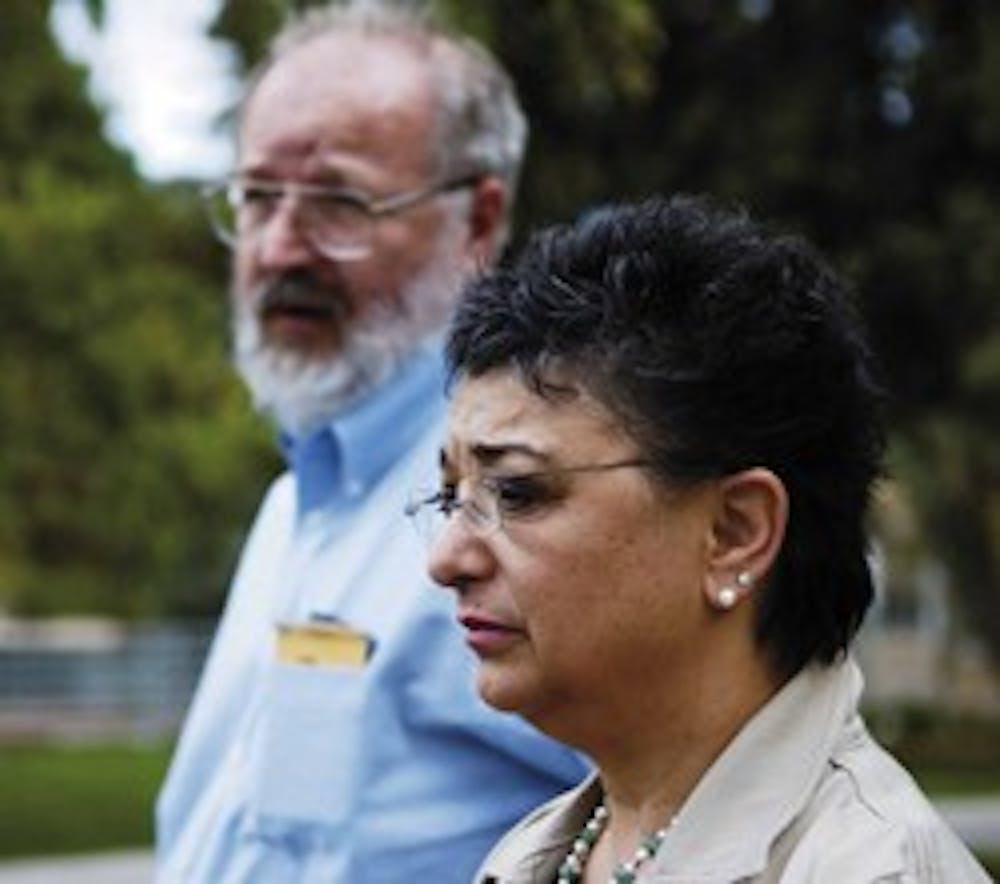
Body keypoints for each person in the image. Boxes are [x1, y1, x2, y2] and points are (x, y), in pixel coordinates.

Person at [416, 194, 991, 882]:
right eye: (450, 497)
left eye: (517, 492)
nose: (446, 559)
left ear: (735, 532)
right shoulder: (537, 855)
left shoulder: (866, 869)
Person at [154, 3, 589, 882]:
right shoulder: (297, 501)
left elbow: (686, 826)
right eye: (258, 196)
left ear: (477, 220)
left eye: (338, 203)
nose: (280, 247)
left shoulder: (536, 502)